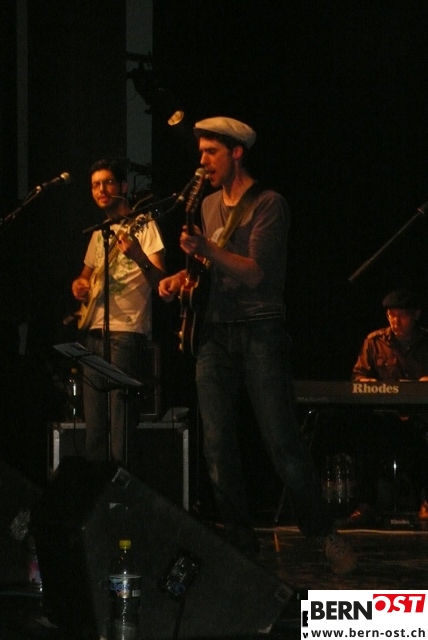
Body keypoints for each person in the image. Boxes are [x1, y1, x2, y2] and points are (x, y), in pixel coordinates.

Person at [158, 116, 356, 574]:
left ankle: (323, 531)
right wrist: (179, 278)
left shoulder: (269, 203)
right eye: (200, 152)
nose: (203, 161)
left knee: (282, 442)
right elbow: (206, 270)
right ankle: (240, 547)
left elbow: (254, 273)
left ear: (237, 153)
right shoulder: (207, 204)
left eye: (211, 152)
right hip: (213, 333)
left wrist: (206, 250)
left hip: (260, 329)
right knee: (216, 445)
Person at [71, 158, 166, 466]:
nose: (101, 189)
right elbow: (85, 276)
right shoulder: (98, 233)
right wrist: (79, 285)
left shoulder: (145, 224)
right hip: (93, 334)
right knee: (95, 431)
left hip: (125, 333)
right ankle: (98, 490)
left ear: (123, 186)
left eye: (107, 182)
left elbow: (161, 281)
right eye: (95, 185)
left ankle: (123, 489)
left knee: (121, 429)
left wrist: (138, 255)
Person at [348, 288, 428, 524]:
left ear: (416, 315)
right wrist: (370, 384)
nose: (396, 322)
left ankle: (426, 499)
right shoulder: (374, 342)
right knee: (364, 433)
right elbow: (358, 376)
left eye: (402, 316)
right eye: (392, 315)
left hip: (421, 417)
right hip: (385, 416)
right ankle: (367, 504)